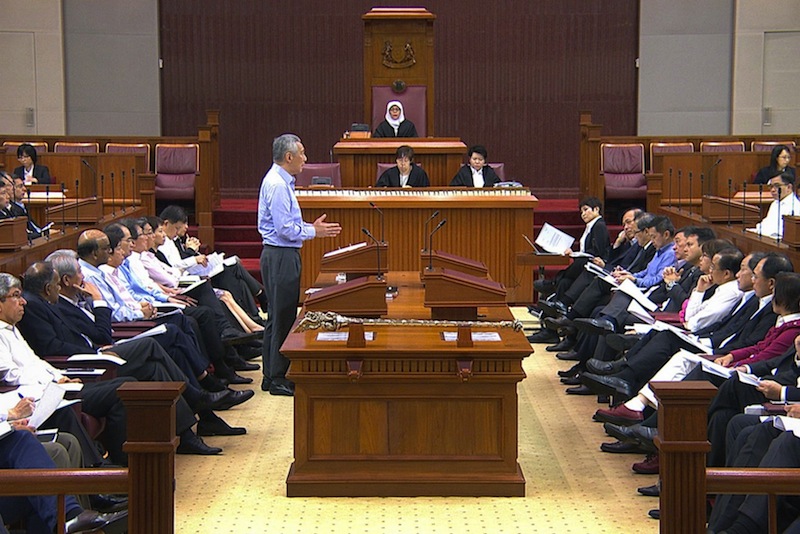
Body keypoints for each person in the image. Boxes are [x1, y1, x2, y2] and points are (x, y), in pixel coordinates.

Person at [258, 134, 341, 396]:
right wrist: (314, 231)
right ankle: (279, 377)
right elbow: (285, 230)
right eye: (302, 153)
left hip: (276, 255)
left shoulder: (277, 180)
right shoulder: (279, 185)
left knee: (276, 317)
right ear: (289, 157)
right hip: (281, 255)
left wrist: (309, 229)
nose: (306, 159)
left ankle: (270, 375)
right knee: (282, 318)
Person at [747, 171, 800, 239]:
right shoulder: (775, 203)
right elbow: (765, 224)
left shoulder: (795, 207)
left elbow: (782, 234)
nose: (772, 190)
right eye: (771, 186)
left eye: (777, 186)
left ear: (789, 187)